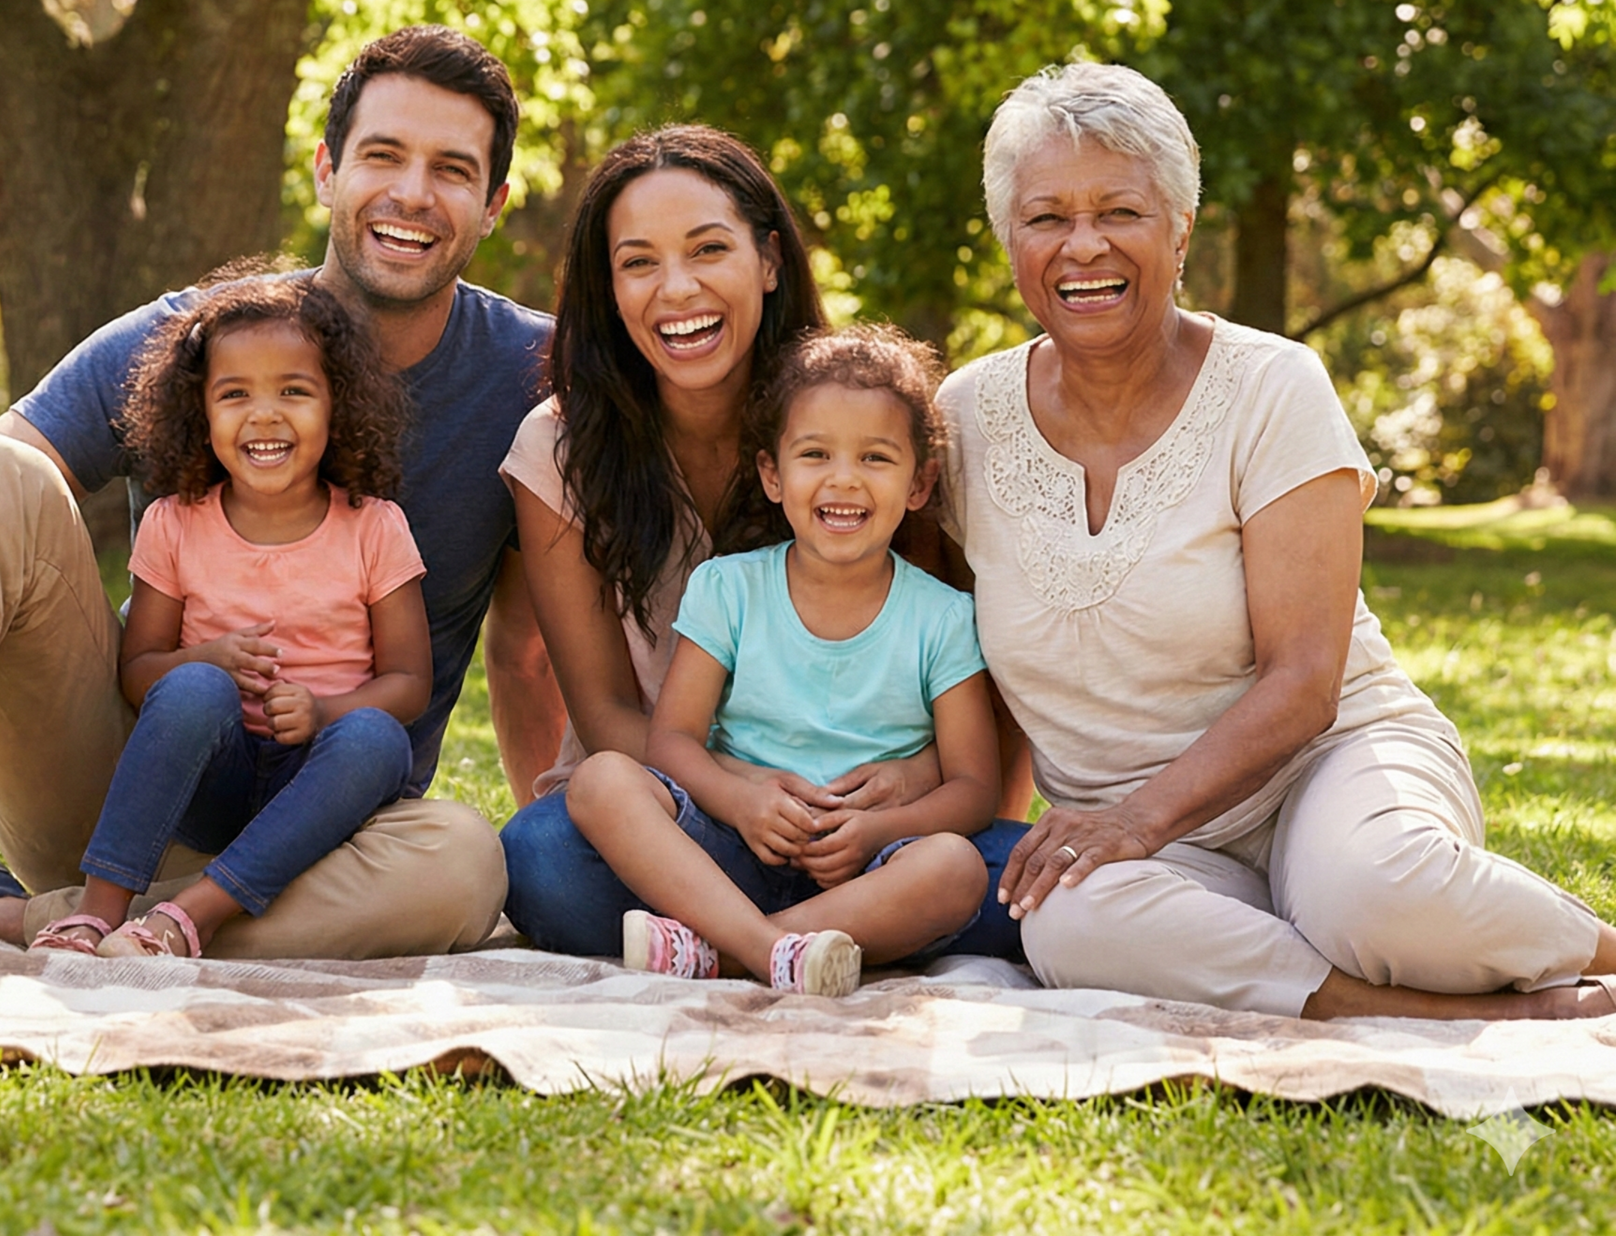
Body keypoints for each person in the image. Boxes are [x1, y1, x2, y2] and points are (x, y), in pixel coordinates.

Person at [0, 26, 559, 990]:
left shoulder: (536, 376)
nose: (411, 194)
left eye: (452, 169)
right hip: (120, 786)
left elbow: (535, 640)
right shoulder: (194, 339)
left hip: (334, 831)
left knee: (467, 866)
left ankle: (1, 917)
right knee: (3, 471)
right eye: (384, 156)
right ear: (327, 170)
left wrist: (566, 842)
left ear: (493, 206)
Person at [943, 60, 1616, 1019]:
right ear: (1011, 238)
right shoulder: (963, 418)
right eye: (1046, 217)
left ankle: (1600, 954)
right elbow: (949, 651)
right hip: (1154, 845)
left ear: (1179, 230)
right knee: (1067, 922)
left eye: (1120, 213)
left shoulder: (1272, 387)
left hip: (1329, 766)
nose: (1080, 246)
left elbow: (1305, 682)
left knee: (1377, 896)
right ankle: (1459, 1015)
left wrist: (1139, 820)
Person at [497, 125, 1027, 960]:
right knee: (540, 862)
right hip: (695, 816)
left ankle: (737, 944)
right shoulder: (561, 450)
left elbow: (961, 701)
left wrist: (894, 798)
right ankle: (786, 943)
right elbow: (603, 714)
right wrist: (746, 795)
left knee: (997, 876)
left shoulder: (863, 419)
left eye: (709, 249)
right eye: (638, 262)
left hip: (873, 832)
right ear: (608, 285)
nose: (677, 289)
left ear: (771, 261)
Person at [568, 326, 1022, 997]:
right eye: (815, 454)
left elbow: (973, 788)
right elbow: (671, 740)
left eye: (876, 457)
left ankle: (722, 950)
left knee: (956, 869)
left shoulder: (942, 617)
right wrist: (742, 801)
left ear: (920, 483)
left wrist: (876, 832)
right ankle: (773, 949)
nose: (844, 479)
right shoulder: (729, 588)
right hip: (731, 843)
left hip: (872, 866)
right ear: (772, 475)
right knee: (601, 781)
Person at [28, 280, 428, 957]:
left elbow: (410, 683)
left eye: (294, 392)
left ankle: (190, 917)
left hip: (321, 783)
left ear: (339, 406)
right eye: (235, 394)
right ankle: (95, 913)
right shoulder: (174, 524)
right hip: (215, 779)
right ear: (199, 412)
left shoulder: (374, 527)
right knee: (189, 690)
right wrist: (202, 661)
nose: (264, 416)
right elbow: (138, 674)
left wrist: (325, 713)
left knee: (378, 739)